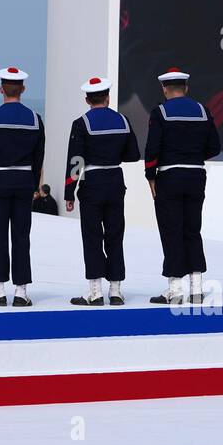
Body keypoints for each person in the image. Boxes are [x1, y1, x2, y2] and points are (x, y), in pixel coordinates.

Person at [142, 68, 221, 304]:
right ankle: (196, 288)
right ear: (186, 88)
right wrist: (194, 157)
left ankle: (175, 290)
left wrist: (150, 175)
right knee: (192, 230)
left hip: (169, 177)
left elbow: (152, 148)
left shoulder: (160, 112)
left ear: (165, 89)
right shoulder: (202, 110)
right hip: (196, 176)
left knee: (171, 231)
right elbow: (214, 147)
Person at [0, 66, 45, 307]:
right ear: (23, 89)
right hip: (24, 182)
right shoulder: (35, 119)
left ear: (1, 89)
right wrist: (34, 183)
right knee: (22, 236)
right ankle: (22, 292)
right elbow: (39, 157)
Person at [64, 76, 140, 306]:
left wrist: (69, 192)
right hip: (115, 181)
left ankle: (95, 291)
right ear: (107, 97)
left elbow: (76, 161)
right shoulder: (123, 121)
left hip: (92, 183)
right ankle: (115, 290)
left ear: (87, 99)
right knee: (115, 235)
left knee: (92, 237)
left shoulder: (81, 123)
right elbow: (133, 155)